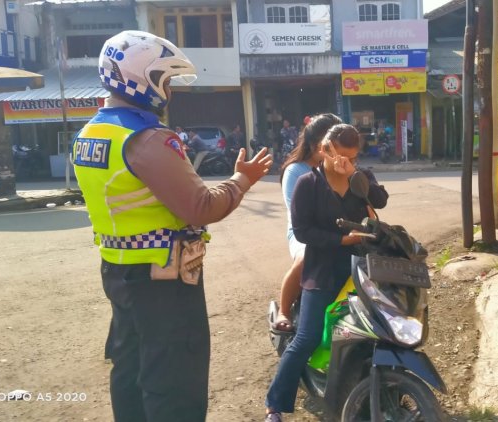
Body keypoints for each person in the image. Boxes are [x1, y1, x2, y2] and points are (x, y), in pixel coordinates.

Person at [72, 30, 272, 422]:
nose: (170, 91)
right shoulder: (147, 139)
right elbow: (201, 207)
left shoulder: (90, 134)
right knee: (174, 378)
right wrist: (242, 180)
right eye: (165, 80)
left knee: (130, 368)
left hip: (117, 270)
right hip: (162, 278)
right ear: (141, 79)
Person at [264, 124, 388, 421]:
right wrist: (340, 240)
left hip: (360, 268)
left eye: (354, 157)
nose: (346, 162)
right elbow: (303, 231)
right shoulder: (308, 183)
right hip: (321, 270)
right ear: (325, 150)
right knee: (306, 338)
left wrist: (356, 178)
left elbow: (381, 201)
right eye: (340, 155)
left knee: (379, 332)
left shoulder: (360, 178)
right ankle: (275, 405)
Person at [272, 113, 343, 333]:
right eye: (329, 143)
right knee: (306, 257)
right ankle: (284, 310)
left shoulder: (341, 166)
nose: (335, 149)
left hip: (338, 228)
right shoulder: (296, 171)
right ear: (315, 145)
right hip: (304, 232)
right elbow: (299, 216)